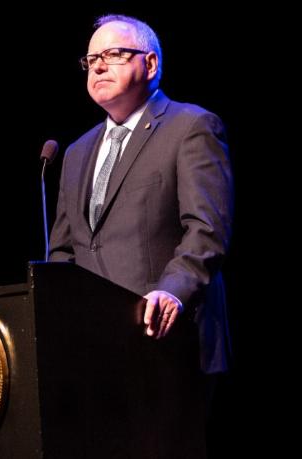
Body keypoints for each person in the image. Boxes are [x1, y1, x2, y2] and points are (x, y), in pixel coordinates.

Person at [48, 14, 233, 376]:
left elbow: (207, 230)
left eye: (113, 54)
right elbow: (63, 251)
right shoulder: (75, 152)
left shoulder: (190, 128)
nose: (98, 66)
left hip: (169, 342)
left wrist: (173, 292)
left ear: (149, 64)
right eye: (91, 60)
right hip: (96, 353)